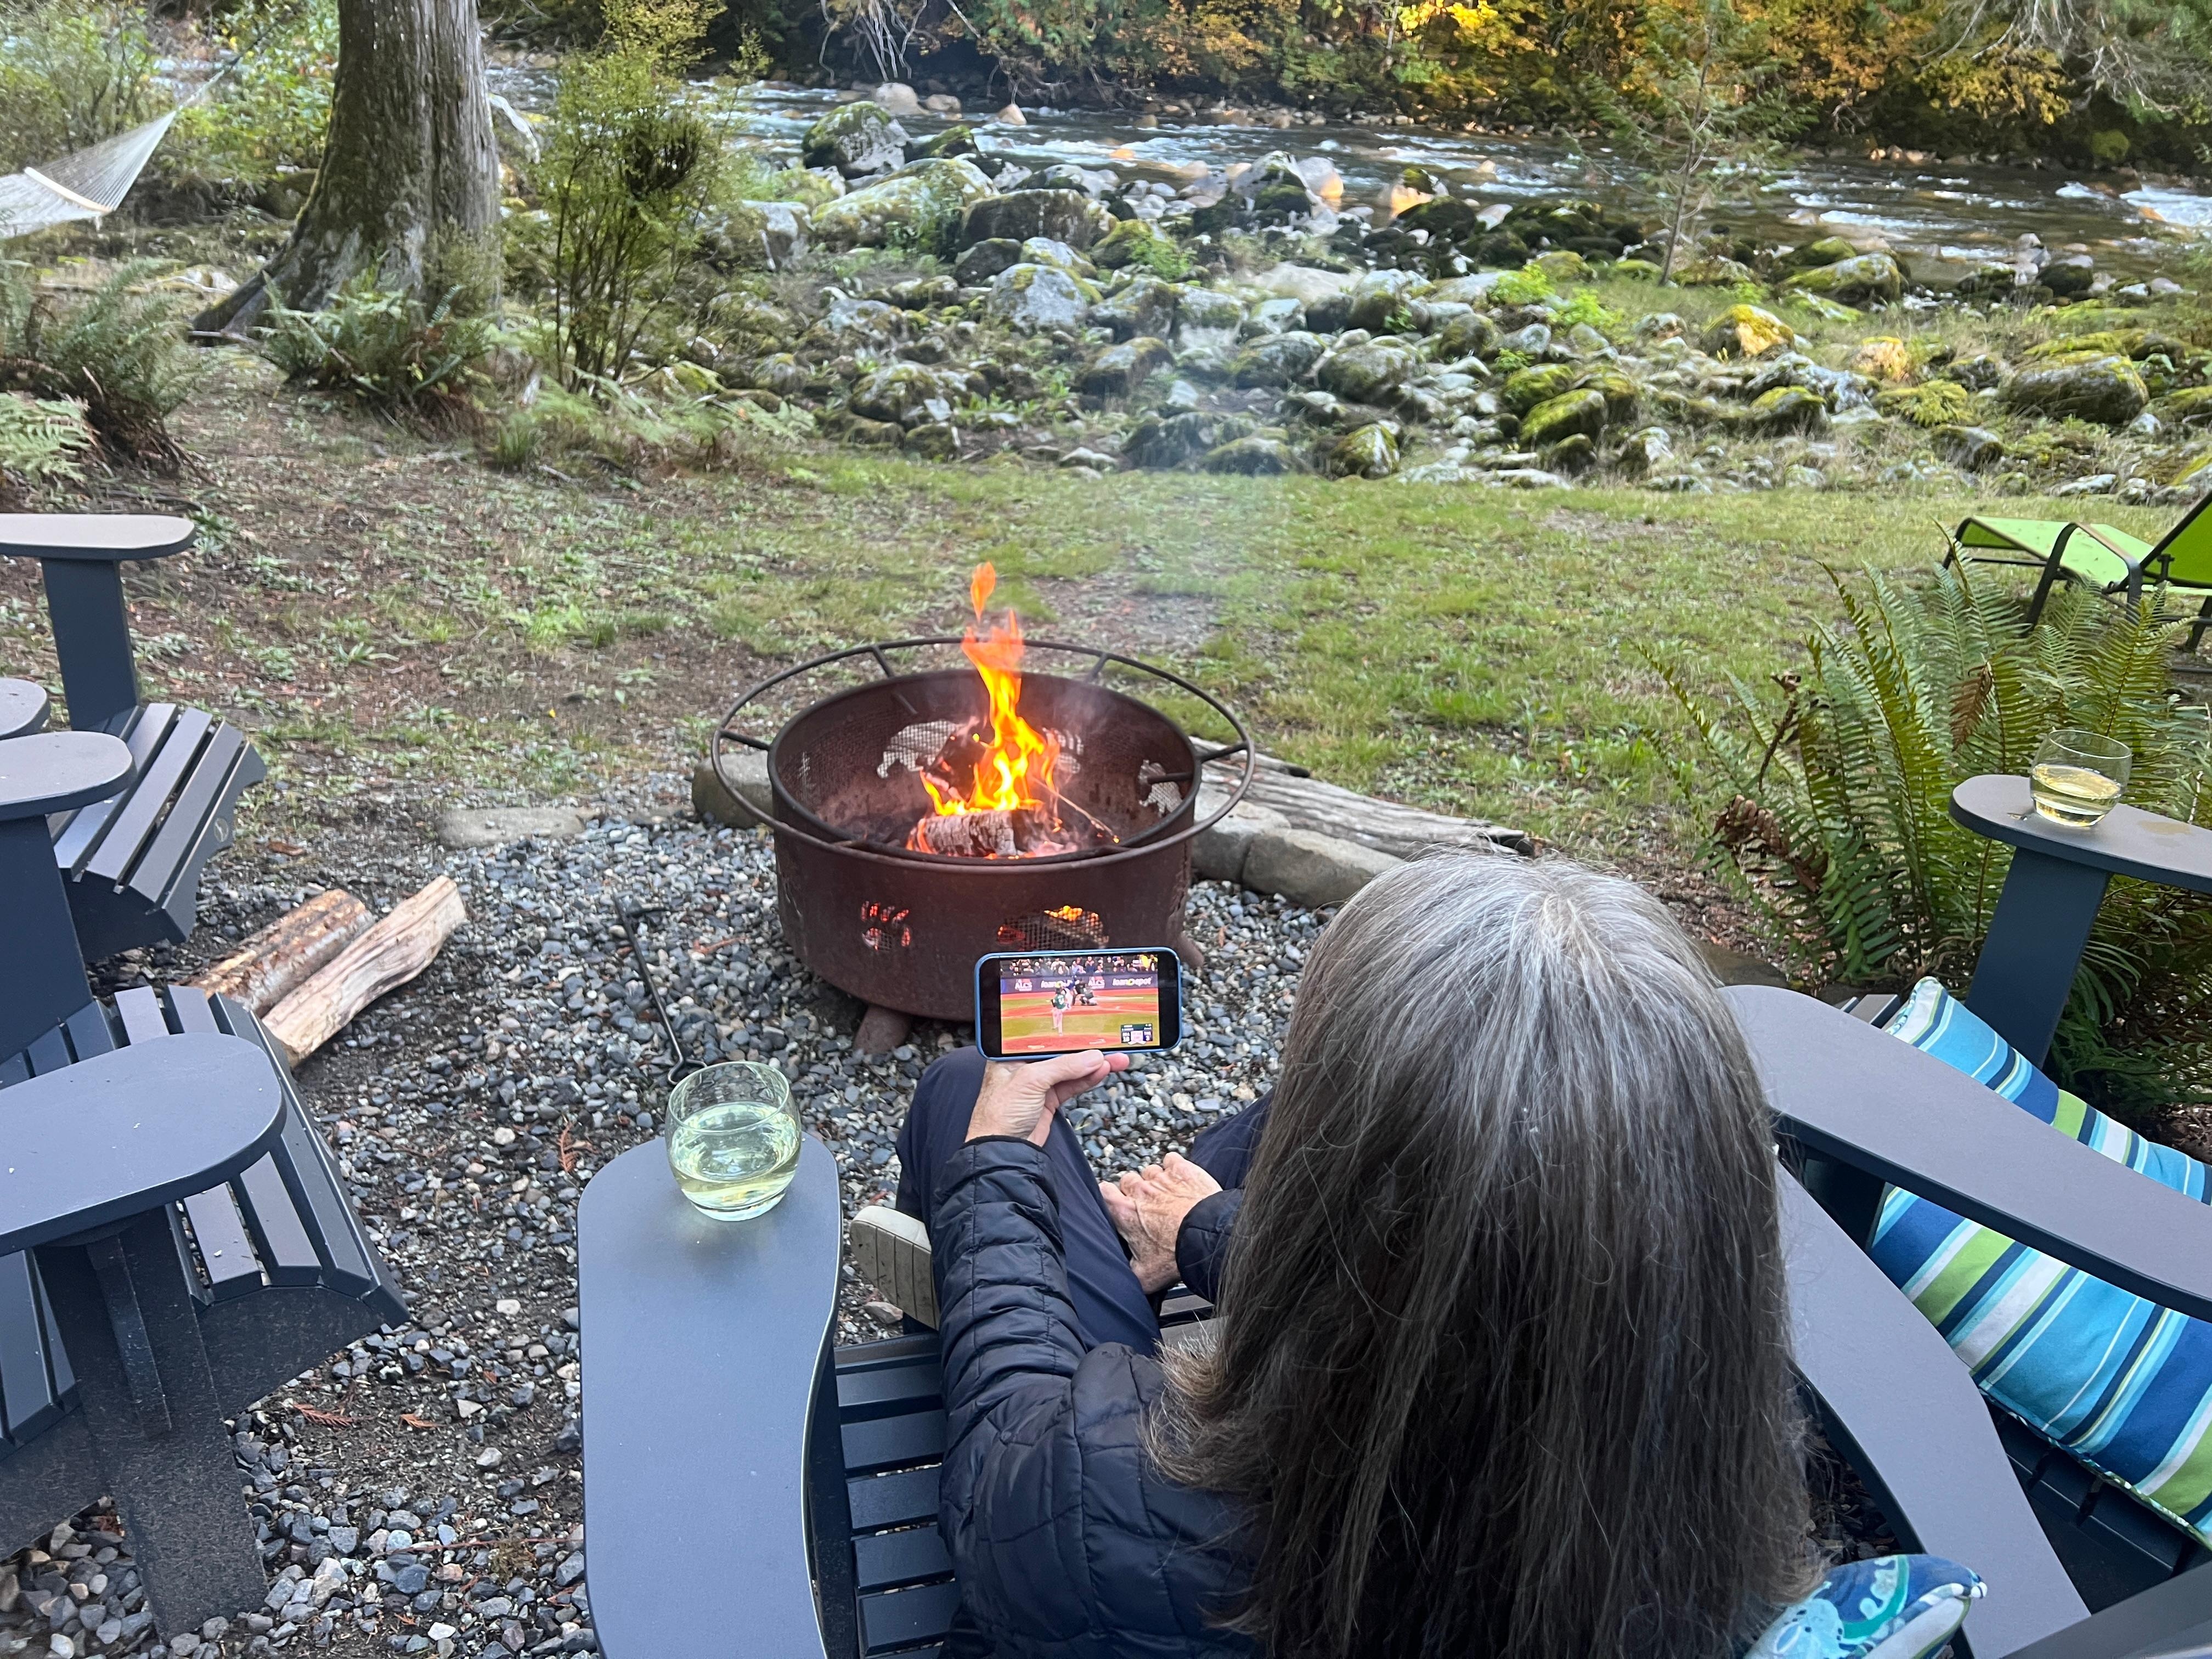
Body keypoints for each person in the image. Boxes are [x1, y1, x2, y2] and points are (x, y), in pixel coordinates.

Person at [893, 851, 1819, 1659]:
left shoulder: (1105, 1503)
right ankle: (1164, 1218)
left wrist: (998, 1163)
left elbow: (1009, 1441)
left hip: (1070, 1544)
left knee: (965, 1084)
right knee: (1292, 1134)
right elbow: (1456, 1287)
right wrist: (1201, 1229)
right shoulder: (1718, 1518)